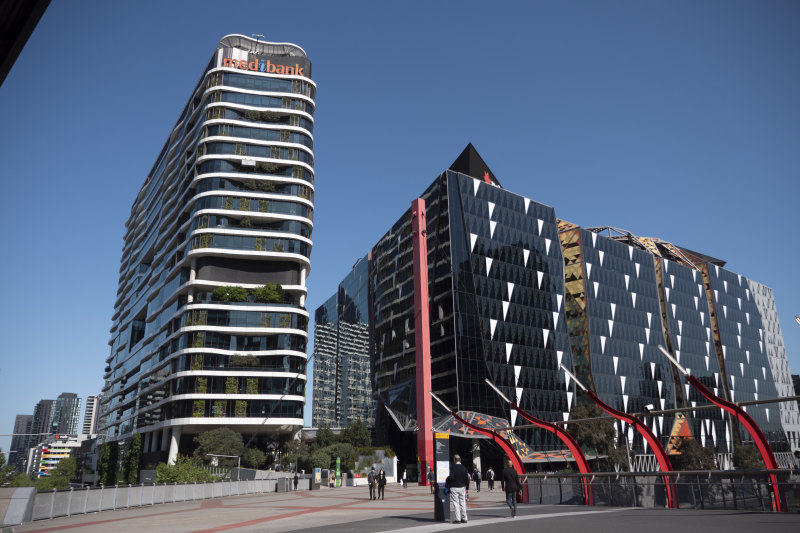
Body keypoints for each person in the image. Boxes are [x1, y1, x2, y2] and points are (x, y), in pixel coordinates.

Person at [447, 454, 470, 524]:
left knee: (456, 503)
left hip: (454, 487)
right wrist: (467, 488)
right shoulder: (464, 468)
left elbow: (451, 477)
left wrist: (448, 481)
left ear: (454, 460)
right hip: (462, 487)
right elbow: (467, 479)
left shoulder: (453, 468)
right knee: (463, 502)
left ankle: (458, 519)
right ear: (460, 460)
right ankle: (464, 518)